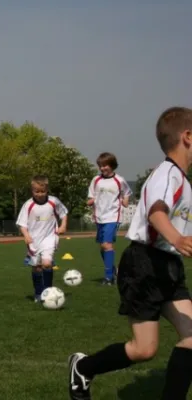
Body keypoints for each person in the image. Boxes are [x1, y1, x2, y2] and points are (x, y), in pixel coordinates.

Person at [69, 106, 192, 400]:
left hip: (169, 266)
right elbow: (156, 212)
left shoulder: (184, 181)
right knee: (144, 349)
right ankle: (83, 367)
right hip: (145, 265)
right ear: (187, 136)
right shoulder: (167, 174)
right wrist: (177, 238)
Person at [16, 175, 68, 302]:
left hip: (49, 238)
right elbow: (22, 223)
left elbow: (64, 213)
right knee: (36, 267)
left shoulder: (53, 202)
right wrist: (26, 235)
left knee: (47, 264)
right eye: (37, 191)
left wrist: (63, 225)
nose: (40, 194)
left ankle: (48, 292)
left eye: (42, 191)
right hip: (33, 240)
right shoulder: (28, 205)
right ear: (32, 190)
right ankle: (38, 293)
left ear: (47, 189)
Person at [87, 152, 132, 285]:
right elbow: (91, 197)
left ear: (112, 165)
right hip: (99, 217)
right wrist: (90, 201)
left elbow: (127, 192)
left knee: (107, 245)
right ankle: (113, 271)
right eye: (100, 166)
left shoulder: (119, 180)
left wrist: (125, 200)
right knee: (103, 247)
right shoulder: (96, 180)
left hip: (113, 216)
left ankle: (109, 278)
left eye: (105, 165)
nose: (102, 168)